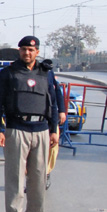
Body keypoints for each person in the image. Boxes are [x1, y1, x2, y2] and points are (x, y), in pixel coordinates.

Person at [0, 36, 59, 212]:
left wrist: (54, 129)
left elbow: (52, 103)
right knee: (16, 176)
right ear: (19, 51)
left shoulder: (45, 73)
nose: (26, 53)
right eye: (23, 50)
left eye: (30, 50)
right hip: (17, 129)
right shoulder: (8, 73)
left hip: (41, 129)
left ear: (37, 52)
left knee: (39, 175)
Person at [41, 59, 66, 190]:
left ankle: (47, 172)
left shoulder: (49, 74)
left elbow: (57, 93)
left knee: (52, 148)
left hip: (50, 116)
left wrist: (62, 111)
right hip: (33, 119)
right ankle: (32, 179)